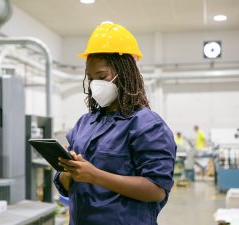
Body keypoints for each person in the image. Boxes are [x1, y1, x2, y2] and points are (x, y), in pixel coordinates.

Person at [53, 22, 176, 225]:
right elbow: (64, 182)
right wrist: (69, 172)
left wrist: (95, 176)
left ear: (125, 74)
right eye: (90, 78)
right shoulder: (85, 123)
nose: (95, 85)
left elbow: (156, 190)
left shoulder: (147, 125)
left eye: (102, 77)